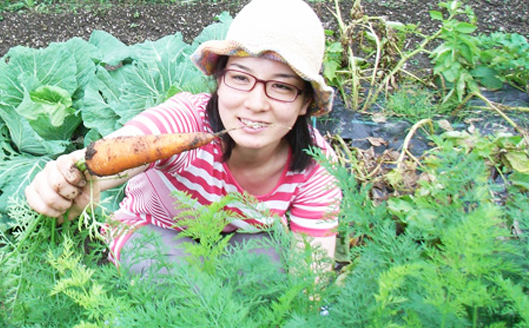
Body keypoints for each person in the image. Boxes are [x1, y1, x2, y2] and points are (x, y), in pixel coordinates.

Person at [25, 0, 341, 275]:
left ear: (305, 102)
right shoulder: (185, 120)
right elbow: (130, 142)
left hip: (236, 240)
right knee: (179, 277)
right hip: (151, 229)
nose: (256, 103)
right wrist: (69, 174)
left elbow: (310, 275)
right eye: (240, 77)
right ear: (220, 80)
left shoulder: (317, 166)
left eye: (282, 86)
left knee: (271, 267)